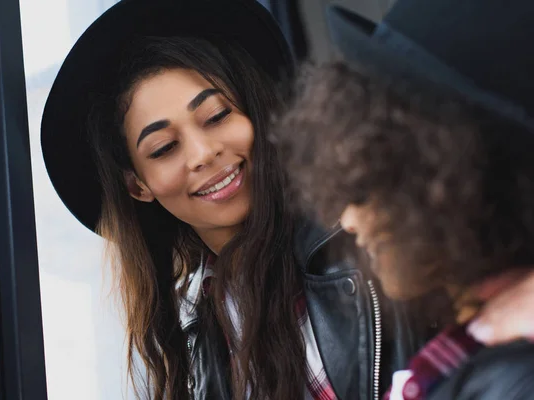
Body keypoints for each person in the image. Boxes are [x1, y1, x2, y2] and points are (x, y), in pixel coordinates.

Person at [40, 0, 534, 399]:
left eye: (216, 116)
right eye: (164, 147)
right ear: (137, 185)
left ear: (255, 112)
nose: (204, 152)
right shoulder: (193, 341)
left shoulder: (392, 242)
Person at [277, 57, 534, 399]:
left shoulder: (512, 379)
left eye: (369, 190)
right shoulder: (472, 354)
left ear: (456, 186)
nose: (348, 221)